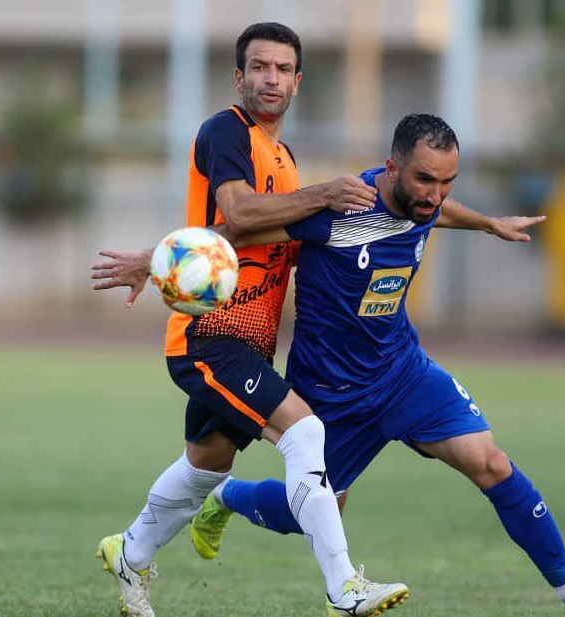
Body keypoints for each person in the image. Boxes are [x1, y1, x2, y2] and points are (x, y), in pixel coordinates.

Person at [176, 114, 565, 617]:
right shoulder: (342, 210)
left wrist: (489, 223)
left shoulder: (424, 204)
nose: (435, 195)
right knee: (308, 512)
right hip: (331, 392)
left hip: (403, 374)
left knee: (491, 462)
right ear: (392, 168)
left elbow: (437, 211)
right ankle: (228, 497)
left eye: (447, 181)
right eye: (425, 179)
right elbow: (235, 231)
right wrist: (152, 261)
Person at [90, 23, 409, 617]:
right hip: (209, 337)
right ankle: (344, 587)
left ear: (297, 82)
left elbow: (263, 235)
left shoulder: (284, 160)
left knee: (207, 464)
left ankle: (130, 552)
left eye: (283, 69)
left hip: (254, 344)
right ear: (239, 76)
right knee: (305, 432)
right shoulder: (226, 131)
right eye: (259, 67)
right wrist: (325, 195)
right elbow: (236, 214)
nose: (271, 78)